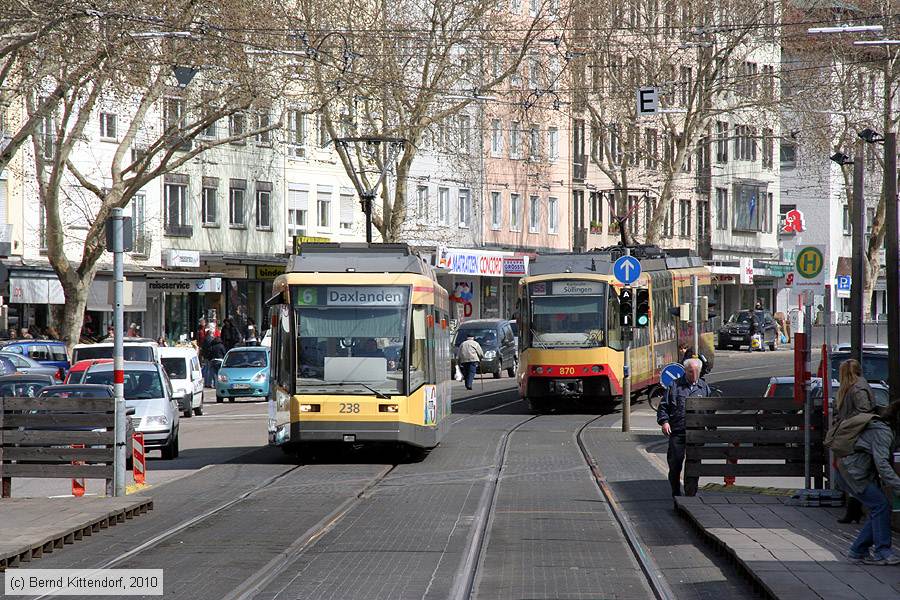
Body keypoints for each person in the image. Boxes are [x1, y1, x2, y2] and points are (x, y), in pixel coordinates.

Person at [838, 401, 900, 565]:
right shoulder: (883, 432)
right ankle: (882, 551)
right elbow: (882, 463)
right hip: (853, 472)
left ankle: (858, 550)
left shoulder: (883, 427)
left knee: (878, 508)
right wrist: (898, 485)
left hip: (851, 469)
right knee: (880, 506)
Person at [657, 358, 710, 499]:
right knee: (675, 464)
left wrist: (711, 427)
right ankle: (675, 492)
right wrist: (664, 422)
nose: (694, 374)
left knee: (693, 465)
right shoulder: (675, 386)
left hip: (697, 433)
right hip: (678, 431)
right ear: (685, 371)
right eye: (690, 371)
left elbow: (710, 410)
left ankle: (690, 494)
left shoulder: (704, 387)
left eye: (696, 371)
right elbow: (663, 407)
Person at [834, 359, 877, 524]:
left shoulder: (857, 388)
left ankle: (856, 507)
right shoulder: (853, 387)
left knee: (848, 471)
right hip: (851, 433)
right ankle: (855, 508)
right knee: (847, 471)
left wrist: (846, 423)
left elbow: (864, 411)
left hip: (854, 434)